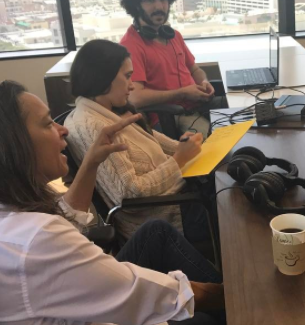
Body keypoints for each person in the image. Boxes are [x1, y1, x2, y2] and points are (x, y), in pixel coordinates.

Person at [0, 81, 226, 325]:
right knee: (206, 323)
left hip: (68, 316)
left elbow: (65, 218)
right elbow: (138, 294)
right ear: (9, 145)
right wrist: (228, 296)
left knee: (155, 232)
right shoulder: (36, 240)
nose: (61, 129)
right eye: (46, 124)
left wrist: (91, 161)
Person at [65, 39, 210, 244]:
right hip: (165, 216)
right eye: (127, 76)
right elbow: (129, 193)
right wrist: (178, 159)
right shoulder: (92, 126)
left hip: (177, 198)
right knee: (231, 205)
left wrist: (189, 146)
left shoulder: (110, 111)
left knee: (232, 172)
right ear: (103, 78)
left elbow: (159, 143)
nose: (132, 85)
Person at [119, 0, 225, 139]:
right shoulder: (130, 45)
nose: (159, 6)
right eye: (150, 1)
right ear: (136, 5)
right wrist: (182, 93)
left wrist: (204, 82)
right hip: (173, 114)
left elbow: (194, 70)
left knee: (247, 112)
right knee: (214, 138)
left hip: (198, 104)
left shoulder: (174, 35)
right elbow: (135, 97)